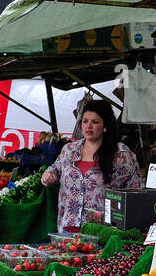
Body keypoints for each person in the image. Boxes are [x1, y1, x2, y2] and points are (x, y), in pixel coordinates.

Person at [40, 99, 142, 231]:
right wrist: (47, 176)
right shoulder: (69, 150)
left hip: (102, 232)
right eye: (85, 121)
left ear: (105, 125)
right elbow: (53, 170)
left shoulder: (121, 154)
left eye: (95, 122)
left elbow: (136, 191)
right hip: (67, 230)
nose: (88, 126)